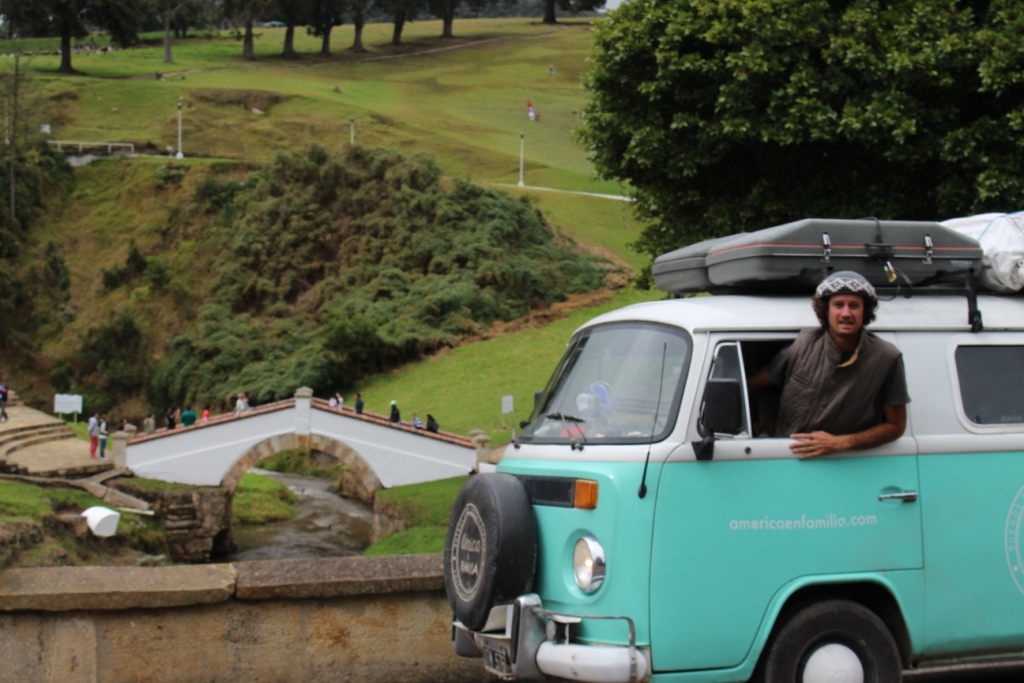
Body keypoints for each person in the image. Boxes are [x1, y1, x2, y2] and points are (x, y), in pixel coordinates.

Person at [749, 271, 909, 459]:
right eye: (838, 305)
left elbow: (896, 426)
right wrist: (763, 417)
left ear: (865, 311)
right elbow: (751, 385)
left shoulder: (886, 358)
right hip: (785, 457)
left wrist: (842, 443)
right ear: (826, 310)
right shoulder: (801, 346)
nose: (846, 313)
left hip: (843, 463)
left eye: (854, 306)